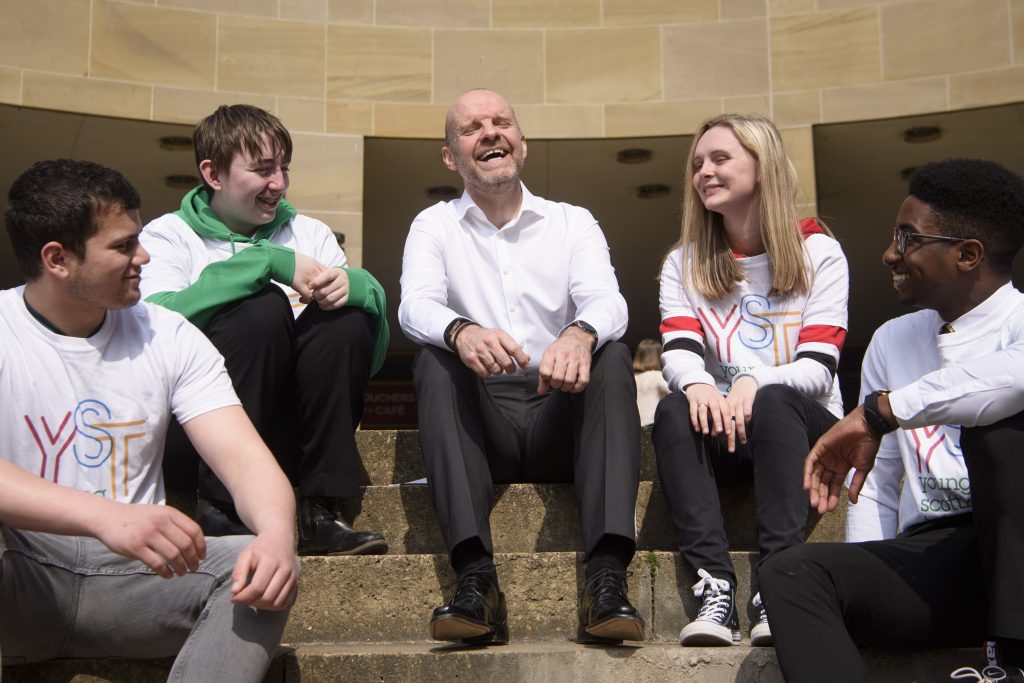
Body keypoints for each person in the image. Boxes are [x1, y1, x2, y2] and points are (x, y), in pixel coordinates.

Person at [0, 159, 299, 681]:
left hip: (136, 583)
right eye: (122, 246)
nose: (144, 256)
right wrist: (103, 516)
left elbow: (246, 460)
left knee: (262, 561)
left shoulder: (168, 334)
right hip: (21, 576)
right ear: (58, 259)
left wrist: (276, 535)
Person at [760, 158, 1024, 682]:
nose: (889, 254)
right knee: (791, 571)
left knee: (999, 434)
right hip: (939, 562)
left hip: (1016, 552)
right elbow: (874, 487)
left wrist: (883, 410)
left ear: (968, 254)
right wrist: (866, 580)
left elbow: (1004, 383)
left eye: (907, 239)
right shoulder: (892, 339)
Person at [398, 88, 644, 645]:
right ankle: (476, 579)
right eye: (471, 128)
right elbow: (414, 305)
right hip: (481, 418)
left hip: (560, 406)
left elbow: (610, 302)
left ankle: (605, 579)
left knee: (611, 352)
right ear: (450, 155)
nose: (490, 132)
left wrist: (578, 334)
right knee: (435, 359)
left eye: (501, 122)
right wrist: (462, 331)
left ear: (522, 143)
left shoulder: (571, 221)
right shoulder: (433, 225)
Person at [139, 105, 389, 556]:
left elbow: (361, 360)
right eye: (262, 169)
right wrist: (266, 264)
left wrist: (362, 290)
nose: (279, 184)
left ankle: (318, 510)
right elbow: (153, 329)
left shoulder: (309, 233)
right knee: (261, 307)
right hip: (197, 440)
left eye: (283, 168)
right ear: (213, 174)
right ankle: (223, 509)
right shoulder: (167, 236)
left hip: (289, 438)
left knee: (346, 320)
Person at [652, 114, 849, 647]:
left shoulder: (819, 252)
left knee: (779, 396)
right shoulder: (684, 262)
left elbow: (818, 366)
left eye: (720, 159)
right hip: (725, 428)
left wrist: (752, 382)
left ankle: (777, 582)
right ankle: (713, 588)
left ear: (763, 168)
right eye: (697, 164)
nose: (704, 173)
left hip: (803, 432)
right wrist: (697, 386)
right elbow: (680, 353)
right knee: (673, 408)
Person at [633, 338, 670, 427]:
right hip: (653, 424)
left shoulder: (633, 378)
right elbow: (675, 394)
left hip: (635, 425)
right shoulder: (658, 376)